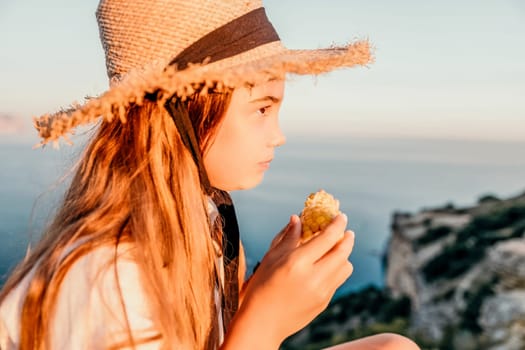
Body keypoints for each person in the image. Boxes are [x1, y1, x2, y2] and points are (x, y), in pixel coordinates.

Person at [0, 0, 420, 349]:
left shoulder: (203, 223)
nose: (278, 136)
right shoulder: (109, 279)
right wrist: (265, 322)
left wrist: (261, 288)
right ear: (184, 112)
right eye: (261, 108)